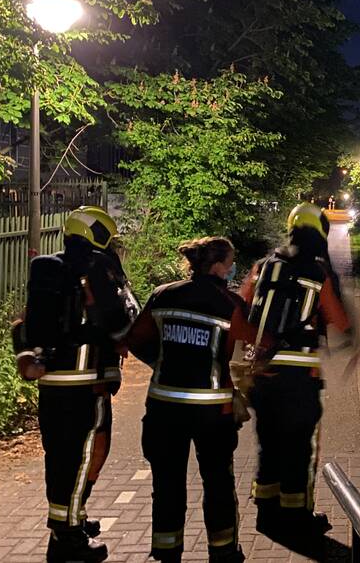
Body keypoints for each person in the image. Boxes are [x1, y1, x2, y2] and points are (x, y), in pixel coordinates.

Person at [13, 206, 137, 563]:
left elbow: (25, 321)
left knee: (60, 457)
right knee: (85, 457)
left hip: (53, 381)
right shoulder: (99, 268)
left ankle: (72, 520)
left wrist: (27, 356)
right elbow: (118, 320)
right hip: (88, 382)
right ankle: (67, 538)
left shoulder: (48, 268)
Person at [122, 237, 256, 563]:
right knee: (218, 484)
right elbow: (247, 354)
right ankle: (223, 552)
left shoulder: (164, 294)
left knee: (167, 486)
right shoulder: (232, 305)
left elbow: (135, 339)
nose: (233, 267)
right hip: (212, 412)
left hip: (164, 409)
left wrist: (163, 361)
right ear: (219, 267)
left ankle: (167, 552)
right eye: (231, 261)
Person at [242, 203, 350, 549]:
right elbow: (339, 322)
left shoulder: (263, 266)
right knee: (300, 450)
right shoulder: (317, 273)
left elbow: (242, 309)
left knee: (268, 442)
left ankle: (265, 510)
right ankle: (298, 518)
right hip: (300, 377)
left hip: (262, 373)